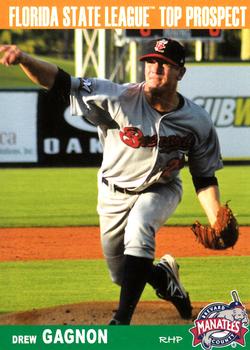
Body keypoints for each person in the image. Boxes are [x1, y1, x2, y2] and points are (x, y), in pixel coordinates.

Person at [0, 38, 223, 325]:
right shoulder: (118, 98)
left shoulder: (197, 120)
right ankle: (164, 278)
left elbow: (204, 176)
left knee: (141, 227)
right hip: (113, 193)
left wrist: (216, 218)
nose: (156, 68)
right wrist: (24, 60)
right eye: (151, 62)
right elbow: (61, 83)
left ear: (180, 72)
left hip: (161, 188)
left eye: (165, 64)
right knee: (121, 274)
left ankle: (121, 321)